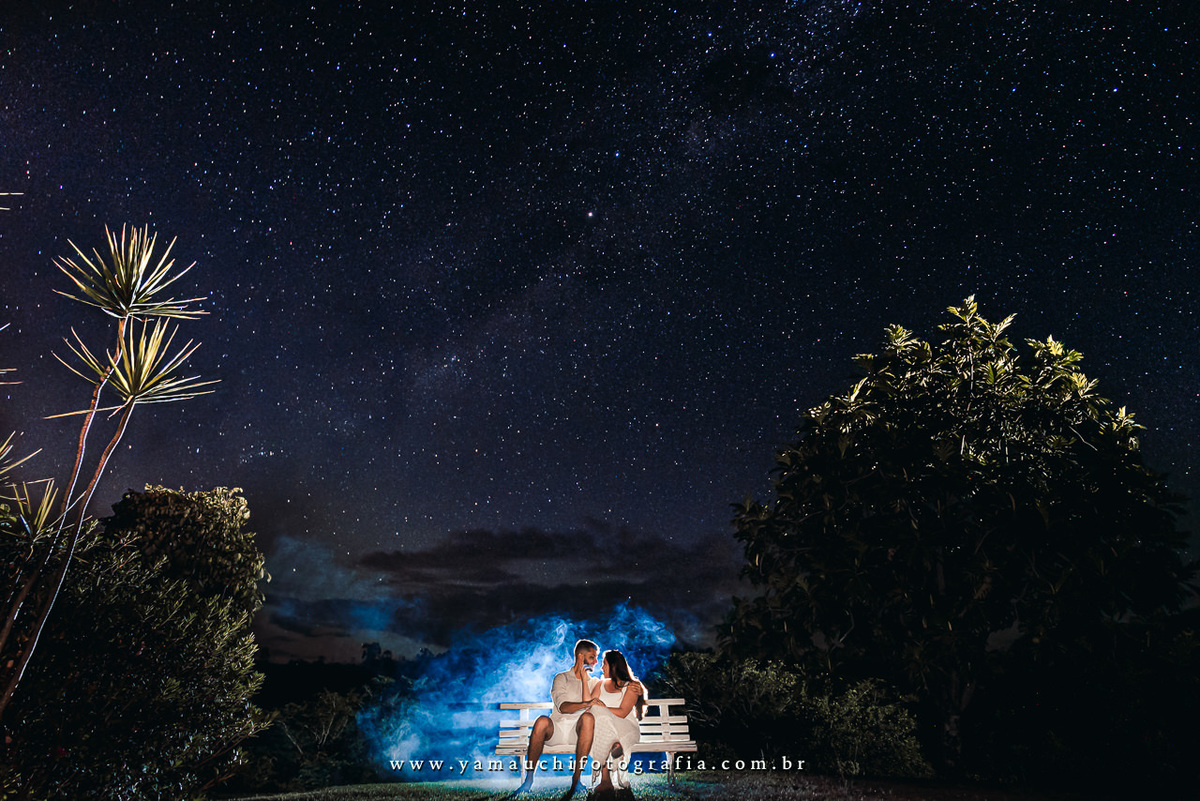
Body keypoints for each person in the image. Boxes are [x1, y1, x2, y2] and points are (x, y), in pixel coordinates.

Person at [515, 638, 600, 798]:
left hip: (581, 733)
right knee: (541, 720)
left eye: (596, 657)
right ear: (580, 657)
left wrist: (584, 681)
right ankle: (528, 780)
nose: (596, 661)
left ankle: (577, 779)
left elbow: (592, 710)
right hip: (558, 729)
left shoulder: (595, 682)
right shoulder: (561, 677)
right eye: (592, 657)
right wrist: (585, 704)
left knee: (588, 718)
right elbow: (563, 707)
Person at [585, 650, 644, 794]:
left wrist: (602, 708)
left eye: (604, 664)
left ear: (613, 666)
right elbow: (590, 707)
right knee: (603, 725)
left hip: (625, 727)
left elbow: (623, 712)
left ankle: (605, 780)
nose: (601, 667)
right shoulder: (600, 685)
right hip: (604, 727)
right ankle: (614, 746)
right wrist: (599, 710)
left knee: (602, 720)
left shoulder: (631, 686)